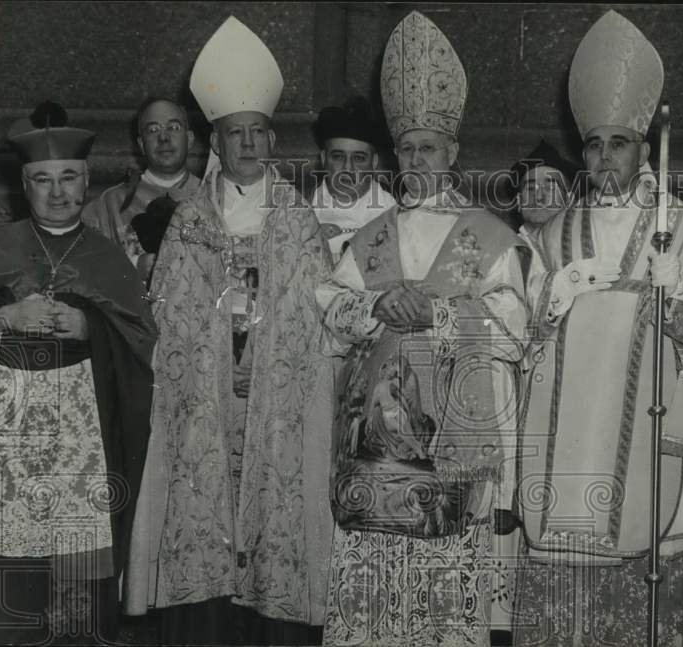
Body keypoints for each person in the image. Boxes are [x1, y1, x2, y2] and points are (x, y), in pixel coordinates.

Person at [512, 10, 683, 647]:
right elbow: (518, 338)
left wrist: (681, 301)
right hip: (561, 462)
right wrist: (549, 302)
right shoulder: (550, 238)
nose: (605, 156)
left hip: (641, 449)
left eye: (618, 142)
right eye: (594, 144)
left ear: (643, 148)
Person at [316, 11, 529, 646]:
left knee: (440, 584)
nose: (415, 159)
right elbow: (329, 311)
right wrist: (374, 310)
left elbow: (517, 327)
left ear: (453, 153)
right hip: (374, 451)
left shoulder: (487, 237)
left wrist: (438, 314)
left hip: (449, 445)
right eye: (406, 148)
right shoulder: (370, 239)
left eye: (428, 147)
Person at [125, 16, 336, 645]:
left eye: (257, 133)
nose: (247, 144)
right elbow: (170, 313)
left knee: (278, 528)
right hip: (207, 407)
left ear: (272, 140)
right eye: (234, 134)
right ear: (215, 142)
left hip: (276, 408)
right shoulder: (189, 219)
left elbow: (314, 314)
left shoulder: (300, 220)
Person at [0, 101, 156, 645]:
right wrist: (2, 317)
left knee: (78, 594)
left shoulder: (108, 258)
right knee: (11, 589)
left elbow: (143, 345)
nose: (57, 193)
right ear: (24, 186)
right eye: (42, 180)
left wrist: (90, 327)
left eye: (68, 179)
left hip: (85, 448)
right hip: (7, 449)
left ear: (85, 183)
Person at [81, 97, 201, 282]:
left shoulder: (212, 197)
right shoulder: (110, 204)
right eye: (153, 130)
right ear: (141, 144)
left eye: (174, 127)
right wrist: (132, 266)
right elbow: (83, 267)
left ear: (190, 138)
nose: (164, 138)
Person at [311, 96, 397, 263]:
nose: (348, 168)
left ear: (374, 162)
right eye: (338, 156)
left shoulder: (391, 212)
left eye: (358, 158)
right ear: (323, 159)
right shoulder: (304, 207)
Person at [510, 139, 581, 267]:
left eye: (550, 188)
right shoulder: (507, 252)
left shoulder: (583, 248)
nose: (539, 197)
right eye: (530, 188)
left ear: (570, 200)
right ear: (519, 201)